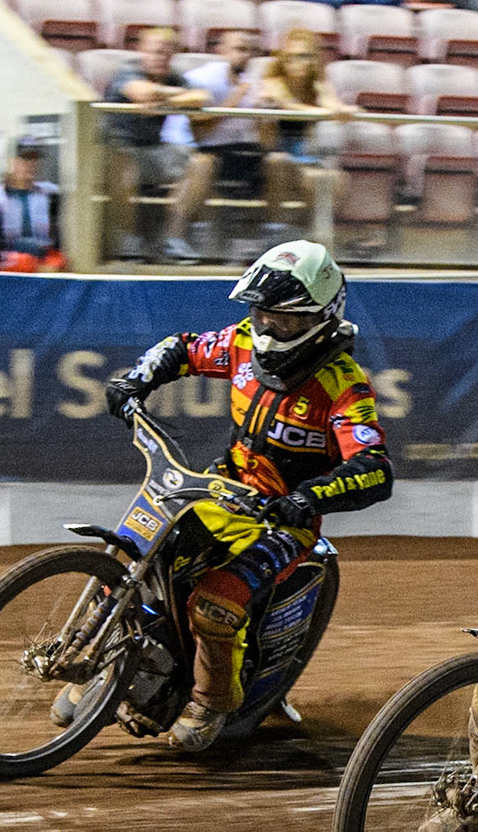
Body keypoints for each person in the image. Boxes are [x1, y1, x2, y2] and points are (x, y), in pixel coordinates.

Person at [98, 241, 393, 751]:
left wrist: (308, 498)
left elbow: (375, 469)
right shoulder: (239, 344)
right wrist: (136, 380)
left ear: (319, 317)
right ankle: (107, 661)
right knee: (136, 559)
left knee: (215, 604)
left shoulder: (344, 385)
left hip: (284, 522)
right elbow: (182, 349)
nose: (267, 326)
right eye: (261, 312)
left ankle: (212, 701)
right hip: (221, 490)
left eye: (283, 317)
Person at [103, 26, 216, 262]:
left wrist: (163, 100)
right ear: (142, 51)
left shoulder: (173, 76)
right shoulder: (127, 71)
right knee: (122, 161)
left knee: (203, 162)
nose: (160, 58)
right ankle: (127, 239)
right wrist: (176, 97)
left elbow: (203, 97)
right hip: (115, 149)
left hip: (154, 150)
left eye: (166, 53)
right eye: (155, 52)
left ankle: (173, 239)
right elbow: (142, 93)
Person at [168, 28, 267, 259]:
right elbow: (200, 133)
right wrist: (236, 99)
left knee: (273, 164)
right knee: (203, 164)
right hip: (196, 147)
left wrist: (264, 115)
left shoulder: (254, 84)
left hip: (238, 149)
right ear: (222, 51)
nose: (245, 55)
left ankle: (260, 241)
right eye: (239, 49)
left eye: (250, 50)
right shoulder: (203, 79)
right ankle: (174, 238)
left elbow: (265, 139)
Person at [247, 28, 354, 238]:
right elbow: (289, 105)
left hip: (304, 154)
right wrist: (327, 112)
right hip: (269, 152)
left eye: (304, 56)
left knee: (336, 179)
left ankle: (314, 236)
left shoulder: (318, 83)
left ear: (314, 58)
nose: (297, 62)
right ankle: (274, 231)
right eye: (290, 57)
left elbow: (332, 103)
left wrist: (341, 110)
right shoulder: (273, 80)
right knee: (278, 162)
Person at [0, 138, 64, 272]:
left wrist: (54, 262)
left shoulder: (49, 195)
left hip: (43, 268)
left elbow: (56, 241)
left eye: (34, 159)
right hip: (6, 270)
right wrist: (33, 265)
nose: (30, 165)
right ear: (11, 162)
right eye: (24, 159)